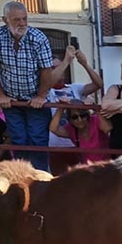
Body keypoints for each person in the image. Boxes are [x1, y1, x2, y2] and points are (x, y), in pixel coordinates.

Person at [0, 0, 54, 172]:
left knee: (37, 139)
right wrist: (0, 94)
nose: (22, 23)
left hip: (34, 98)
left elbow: (47, 70)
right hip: (12, 100)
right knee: (18, 139)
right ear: (5, 20)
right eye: (16, 20)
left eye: (24, 19)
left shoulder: (38, 38)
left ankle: (40, 180)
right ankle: (23, 178)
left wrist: (41, 96)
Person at [47, 45, 104, 173]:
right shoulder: (44, 91)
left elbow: (98, 84)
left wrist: (84, 64)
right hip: (55, 147)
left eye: (60, 66)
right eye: (53, 68)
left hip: (77, 146)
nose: (59, 70)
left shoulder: (74, 88)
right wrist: (66, 61)